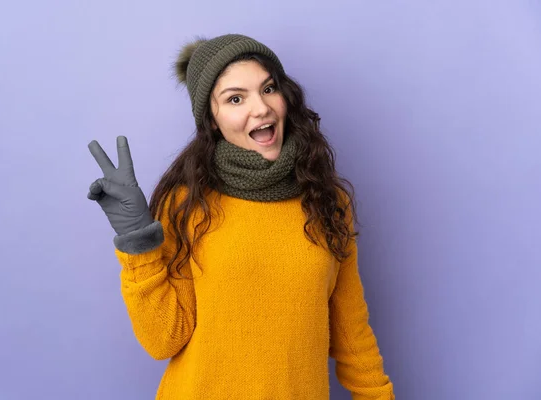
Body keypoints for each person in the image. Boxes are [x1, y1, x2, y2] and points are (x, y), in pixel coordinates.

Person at [87, 33, 394, 400]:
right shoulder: (187, 204)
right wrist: (139, 241)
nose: (261, 108)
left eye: (268, 89)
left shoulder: (327, 201)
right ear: (212, 120)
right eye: (235, 98)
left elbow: (351, 333)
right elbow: (163, 340)